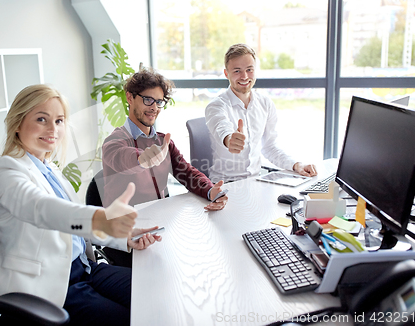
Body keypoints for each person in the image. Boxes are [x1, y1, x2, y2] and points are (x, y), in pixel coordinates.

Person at [0, 84, 161, 326]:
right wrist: (101, 219)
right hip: (53, 285)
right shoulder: (5, 172)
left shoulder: (49, 168)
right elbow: (41, 209)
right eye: (41, 119)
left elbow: (73, 230)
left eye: (59, 121)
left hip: (85, 269)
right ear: (17, 123)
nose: (52, 129)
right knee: (131, 319)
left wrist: (124, 238)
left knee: (157, 291)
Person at [101, 68, 228, 266]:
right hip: (127, 236)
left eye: (159, 102)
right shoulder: (114, 142)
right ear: (130, 97)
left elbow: (186, 173)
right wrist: (142, 158)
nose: (154, 107)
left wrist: (211, 191)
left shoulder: (162, 141)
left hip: (158, 227)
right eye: (147, 100)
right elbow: (121, 158)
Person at [205, 43, 318, 183]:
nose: (245, 76)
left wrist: (296, 165)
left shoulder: (265, 104)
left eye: (249, 69)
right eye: (237, 71)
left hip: (256, 183)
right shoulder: (216, 106)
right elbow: (221, 127)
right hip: (224, 186)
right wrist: (229, 140)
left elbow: (269, 147)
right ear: (226, 74)